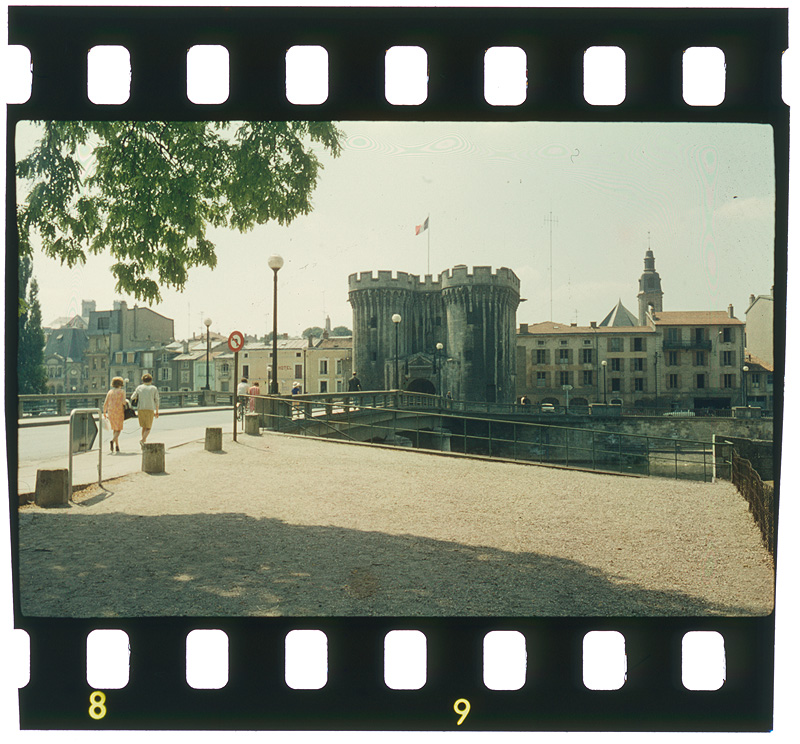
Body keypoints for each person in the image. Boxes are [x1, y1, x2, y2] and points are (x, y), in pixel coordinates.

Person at [131, 373, 160, 447]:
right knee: (148, 427)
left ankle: (143, 442)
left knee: (144, 426)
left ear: (143, 380)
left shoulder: (139, 387)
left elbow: (132, 397)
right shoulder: (153, 388)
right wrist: (157, 411)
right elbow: (157, 400)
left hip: (141, 409)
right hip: (150, 409)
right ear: (151, 380)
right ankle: (143, 440)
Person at [103, 376, 126, 453]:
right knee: (118, 429)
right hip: (119, 411)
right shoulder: (122, 392)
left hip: (111, 411)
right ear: (121, 383)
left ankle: (117, 446)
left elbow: (105, 403)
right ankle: (112, 441)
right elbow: (123, 402)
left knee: (114, 429)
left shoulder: (110, 392)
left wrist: (104, 412)